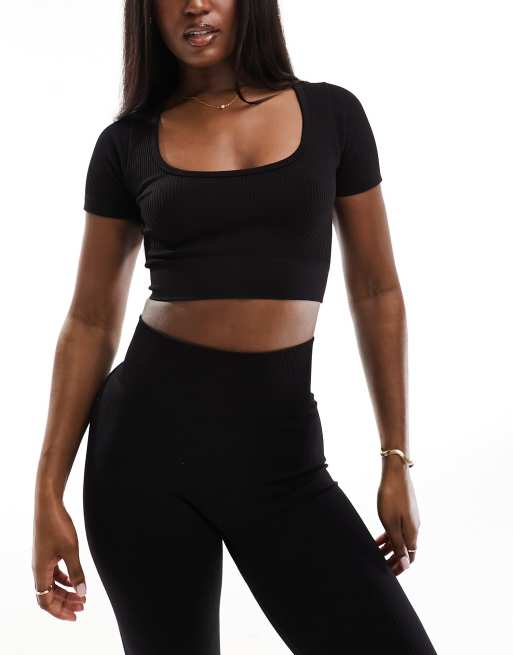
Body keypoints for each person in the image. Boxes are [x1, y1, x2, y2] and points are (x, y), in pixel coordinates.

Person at [32, 1, 438, 653]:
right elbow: (89, 320)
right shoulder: (126, 143)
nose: (195, 4)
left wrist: (395, 457)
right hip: (142, 455)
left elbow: (376, 290)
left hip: (281, 457)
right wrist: (47, 493)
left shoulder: (332, 115)